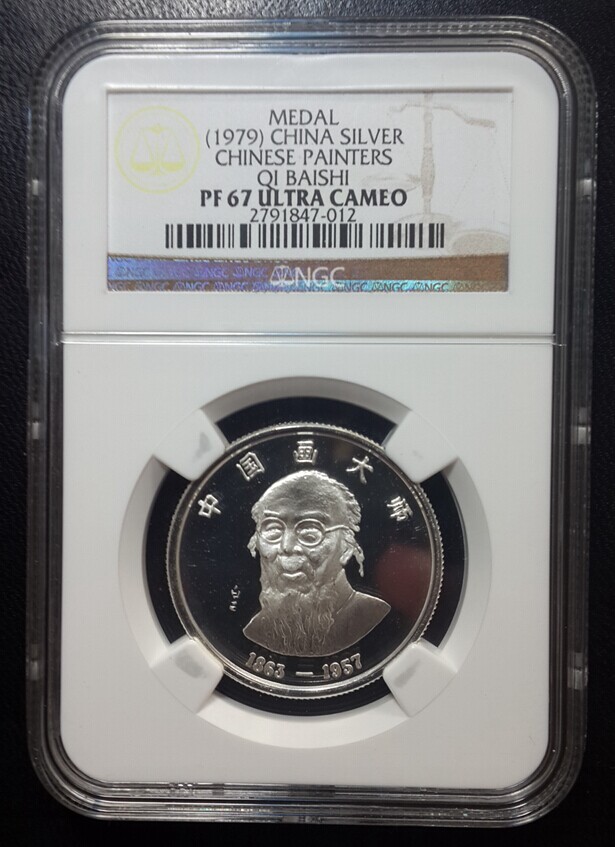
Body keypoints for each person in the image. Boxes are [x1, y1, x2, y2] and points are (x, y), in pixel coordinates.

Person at [243, 469, 390, 656]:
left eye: (310, 532)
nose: (287, 547)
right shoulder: (256, 629)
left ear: (346, 547)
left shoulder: (371, 614)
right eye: (273, 530)